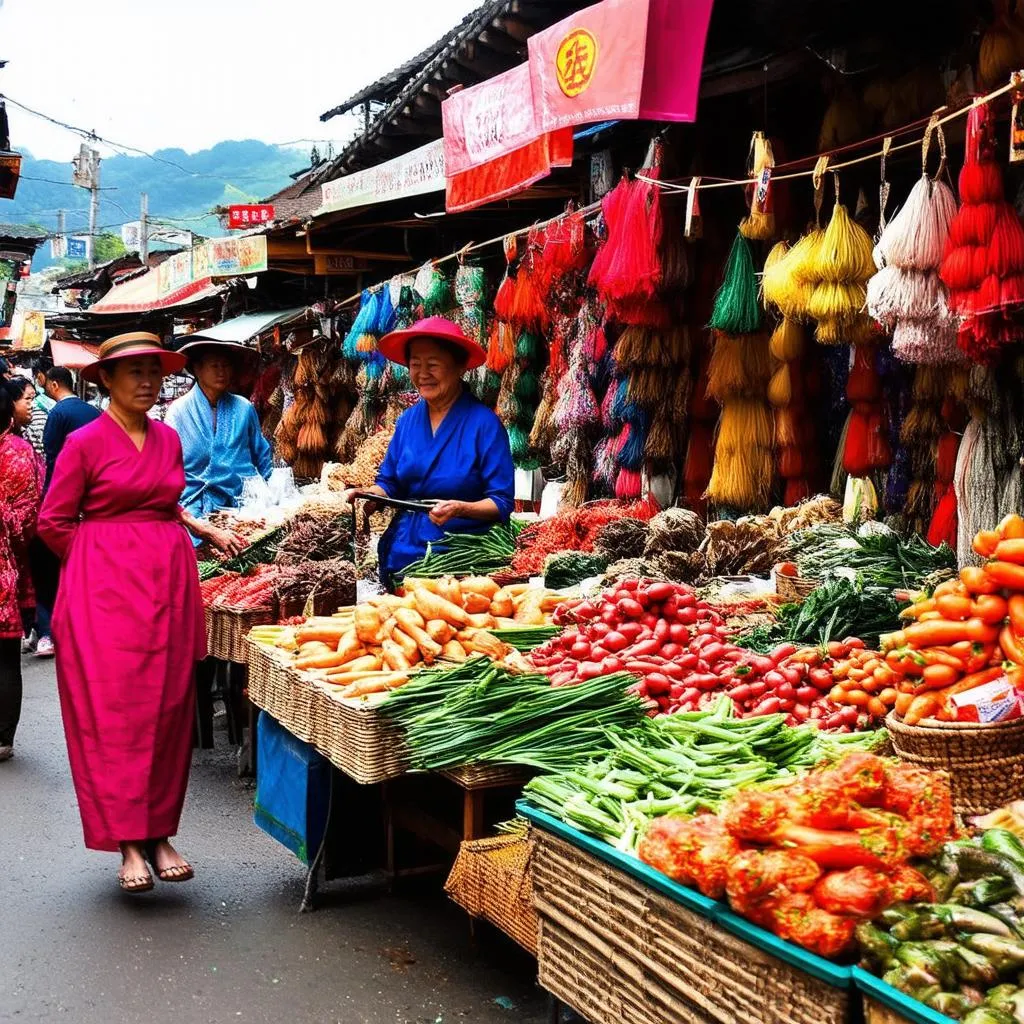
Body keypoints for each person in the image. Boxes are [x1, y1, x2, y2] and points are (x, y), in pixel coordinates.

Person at [37, 332, 244, 893]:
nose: (148, 382)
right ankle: (128, 840)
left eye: (154, 371)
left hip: (169, 587)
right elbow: (53, 521)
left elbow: (163, 499)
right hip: (103, 593)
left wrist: (196, 525)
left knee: (169, 707)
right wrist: (97, 564)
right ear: (106, 379)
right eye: (134, 373)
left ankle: (159, 832)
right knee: (115, 712)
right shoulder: (82, 443)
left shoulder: (169, 439)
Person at [345, 317, 515, 588]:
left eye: (433, 365)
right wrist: (366, 497)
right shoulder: (407, 421)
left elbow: (501, 503)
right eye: (415, 365)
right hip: (403, 555)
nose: (423, 374)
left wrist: (461, 508)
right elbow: (389, 483)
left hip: (461, 563)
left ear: (459, 367)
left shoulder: (484, 424)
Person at [164, 341, 273, 537]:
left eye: (226, 365)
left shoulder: (244, 408)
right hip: (195, 509)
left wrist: (271, 495)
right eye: (214, 366)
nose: (221, 372)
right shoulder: (178, 412)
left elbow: (262, 455)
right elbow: (168, 468)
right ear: (197, 369)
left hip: (243, 508)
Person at [0, 384, 43, 761]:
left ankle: (1, 737)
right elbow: (27, 519)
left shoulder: (17, 453)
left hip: (6, 563)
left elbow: (27, 518)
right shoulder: (18, 452)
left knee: (4, 655)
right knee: (4, 654)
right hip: (7, 563)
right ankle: (2, 737)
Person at [42, 365, 100, 489]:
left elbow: (51, 454)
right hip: (95, 480)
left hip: (69, 483)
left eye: (46, 385)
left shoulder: (57, 413)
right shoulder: (94, 411)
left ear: (54, 385)